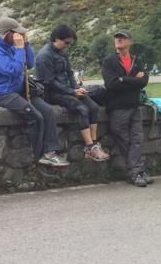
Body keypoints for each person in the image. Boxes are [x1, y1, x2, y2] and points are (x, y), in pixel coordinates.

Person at [0, 17, 69, 168]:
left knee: (47, 111)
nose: (20, 36)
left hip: (18, 90)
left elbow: (29, 63)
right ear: (7, 34)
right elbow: (13, 70)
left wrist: (26, 44)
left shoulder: (12, 46)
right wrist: (19, 48)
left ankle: (50, 152)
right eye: (16, 33)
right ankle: (38, 155)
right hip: (0, 93)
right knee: (35, 116)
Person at [36, 25, 109, 162]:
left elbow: (69, 73)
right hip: (53, 93)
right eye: (66, 42)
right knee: (82, 109)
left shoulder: (62, 53)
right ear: (57, 39)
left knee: (93, 108)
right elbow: (49, 82)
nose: (67, 46)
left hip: (69, 90)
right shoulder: (44, 56)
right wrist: (72, 91)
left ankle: (94, 145)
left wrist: (76, 88)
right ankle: (89, 147)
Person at [101, 29, 151, 186]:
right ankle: (137, 171)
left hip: (134, 105)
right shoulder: (109, 61)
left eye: (122, 38)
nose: (119, 40)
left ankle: (136, 171)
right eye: (117, 38)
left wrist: (123, 79)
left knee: (137, 139)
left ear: (131, 41)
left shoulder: (137, 60)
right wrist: (132, 80)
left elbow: (144, 81)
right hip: (118, 107)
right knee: (124, 139)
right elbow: (111, 84)